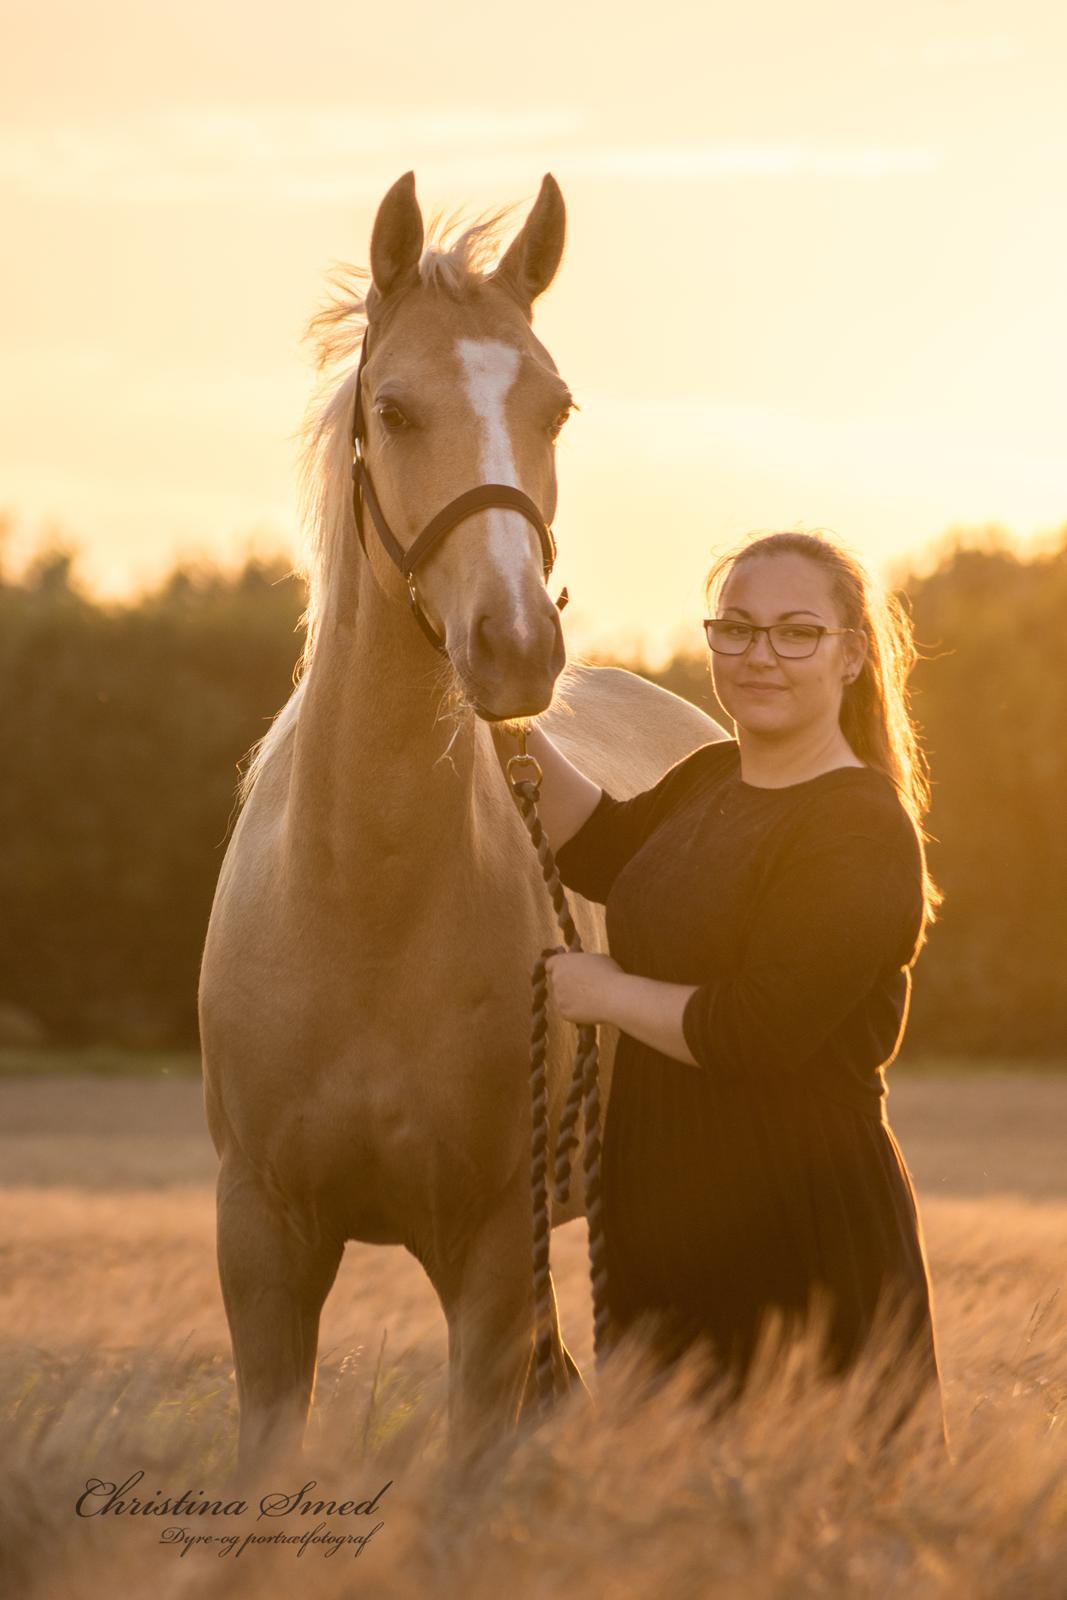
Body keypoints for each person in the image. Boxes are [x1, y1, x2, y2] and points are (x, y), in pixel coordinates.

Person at [492, 529, 950, 1456]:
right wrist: (500, 714)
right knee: (674, 1544)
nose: (758, 657)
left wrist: (605, 991)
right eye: (734, 630)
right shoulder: (707, 778)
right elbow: (600, 848)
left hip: (798, 1236)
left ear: (853, 653)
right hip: (664, 1221)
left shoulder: (859, 829)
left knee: (825, 1537)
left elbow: (753, 1031)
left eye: (793, 633)